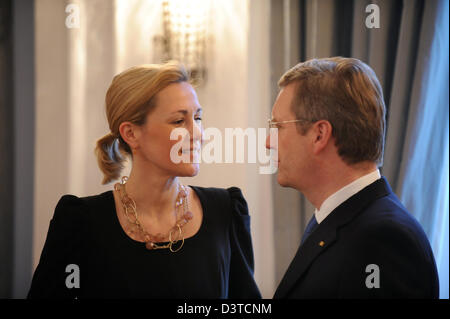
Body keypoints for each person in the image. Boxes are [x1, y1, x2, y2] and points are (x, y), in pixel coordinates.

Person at [28, 61, 261, 299]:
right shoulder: (79, 222)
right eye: (179, 121)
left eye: (198, 118)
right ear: (131, 133)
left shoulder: (225, 211)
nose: (198, 134)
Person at [266, 57, 439, 298]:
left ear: (319, 134)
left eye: (278, 126)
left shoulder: (383, 241)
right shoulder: (339, 218)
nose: (268, 142)